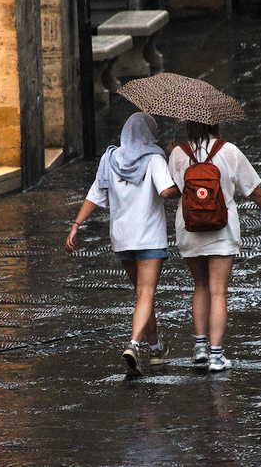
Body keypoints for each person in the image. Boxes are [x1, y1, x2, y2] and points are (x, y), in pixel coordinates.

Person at [65, 112, 179, 376]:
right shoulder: (154, 158)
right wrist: (180, 178)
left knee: (142, 296)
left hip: (122, 239)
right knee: (146, 294)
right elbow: (166, 191)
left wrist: (76, 225)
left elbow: (94, 195)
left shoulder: (110, 158)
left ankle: (156, 349)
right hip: (149, 237)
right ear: (150, 134)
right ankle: (133, 344)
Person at [167, 121, 261, 372]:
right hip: (222, 229)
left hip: (189, 227)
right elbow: (253, 190)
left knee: (200, 285)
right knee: (218, 290)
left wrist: (171, 156)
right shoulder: (229, 150)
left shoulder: (177, 153)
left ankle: (200, 348)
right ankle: (216, 356)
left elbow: (172, 189)